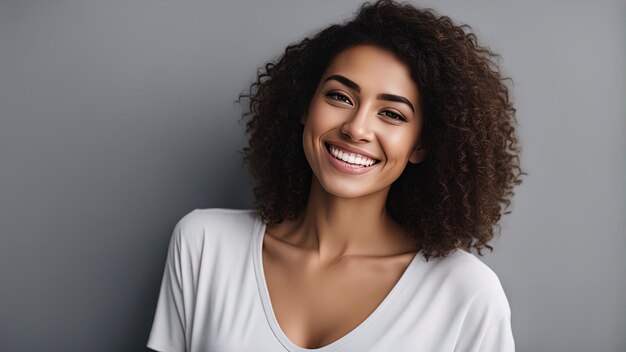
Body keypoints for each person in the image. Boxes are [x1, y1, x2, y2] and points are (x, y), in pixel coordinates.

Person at [147, 1, 523, 351]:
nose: (356, 129)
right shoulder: (204, 246)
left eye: (392, 114)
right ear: (304, 108)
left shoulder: (467, 296)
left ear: (421, 146)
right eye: (340, 97)